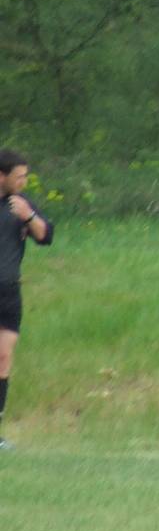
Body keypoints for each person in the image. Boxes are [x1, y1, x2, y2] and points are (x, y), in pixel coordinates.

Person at [0, 148, 55, 451]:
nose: (23, 182)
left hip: (8, 293)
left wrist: (29, 216)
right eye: (19, 177)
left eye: (25, 176)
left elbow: (46, 236)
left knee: (3, 357)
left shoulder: (21, 205)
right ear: (1, 176)